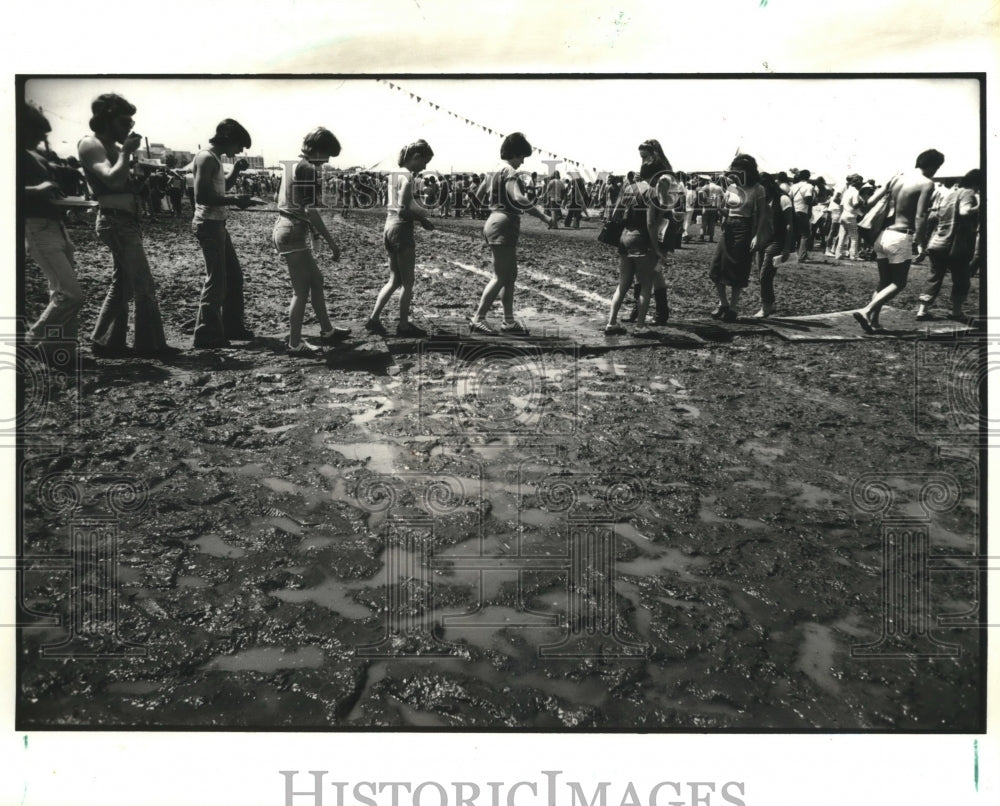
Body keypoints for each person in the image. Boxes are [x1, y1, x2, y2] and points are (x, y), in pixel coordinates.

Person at [78, 93, 178, 358]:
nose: (129, 128)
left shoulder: (109, 145)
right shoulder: (91, 144)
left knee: (123, 284)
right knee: (143, 283)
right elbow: (110, 180)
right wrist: (125, 153)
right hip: (115, 221)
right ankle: (150, 345)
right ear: (107, 119)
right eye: (124, 122)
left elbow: (121, 184)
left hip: (123, 221)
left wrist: (141, 183)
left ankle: (107, 341)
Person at [272, 126, 351, 355]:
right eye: (326, 155)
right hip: (292, 231)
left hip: (289, 227)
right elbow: (311, 211)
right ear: (318, 149)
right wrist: (331, 242)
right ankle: (295, 344)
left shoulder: (296, 164)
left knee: (316, 279)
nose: (326, 161)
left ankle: (327, 330)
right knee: (301, 291)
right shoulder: (307, 168)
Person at [20, 103, 86, 366]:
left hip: (55, 225)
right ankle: (29, 342)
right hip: (36, 227)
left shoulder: (32, 155)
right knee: (71, 295)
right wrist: (39, 189)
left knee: (58, 291)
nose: (42, 140)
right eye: (37, 134)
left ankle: (58, 352)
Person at [469, 132, 554, 334]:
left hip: (494, 220)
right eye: (522, 157)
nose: (522, 161)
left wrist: (493, 207)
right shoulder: (509, 171)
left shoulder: (493, 171)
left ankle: (508, 321)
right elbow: (518, 198)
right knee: (500, 276)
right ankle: (478, 318)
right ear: (515, 153)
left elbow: (476, 196)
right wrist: (544, 217)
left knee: (510, 276)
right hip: (504, 222)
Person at [853, 149, 945, 333]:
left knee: (884, 282)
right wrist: (920, 243)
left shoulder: (897, 178)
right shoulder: (927, 183)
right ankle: (867, 310)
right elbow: (920, 216)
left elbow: (869, 202)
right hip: (901, 236)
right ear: (934, 166)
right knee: (899, 283)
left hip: (883, 235)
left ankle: (874, 322)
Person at [191, 119, 259, 349]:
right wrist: (235, 201)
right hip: (208, 224)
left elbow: (220, 189)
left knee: (233, 277)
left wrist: (236, 173)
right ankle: (206, 335)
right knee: (217, 280)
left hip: (217, 223)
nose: (240, 151)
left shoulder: (216, 159)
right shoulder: (205, 158)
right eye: (239, 145)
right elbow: (201, 196)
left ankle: (232, 327)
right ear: (229, 140)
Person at [603, 140, 674, 335]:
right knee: (645, 284)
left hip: (625, 237)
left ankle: (611, 323)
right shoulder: (651, 192)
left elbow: (616, 213)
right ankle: (641, 326)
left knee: (623, 284)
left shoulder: (629, 188)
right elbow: (651, 224)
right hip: (642, 239)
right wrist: (657, 249)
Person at [366, 139, 436, 337]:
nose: (425, 167)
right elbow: (403, 211)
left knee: (394, 279)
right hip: (401, 228)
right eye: (424, 162)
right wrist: (422, 220)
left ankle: (374, 318)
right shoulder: (407, 178)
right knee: (408, 282)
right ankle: (403, 324)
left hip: (388, 226)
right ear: (416, 157)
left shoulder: (394, 175)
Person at [709, 154, 769, 322]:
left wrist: (757, 235)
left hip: (744, 228)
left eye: (738, 170)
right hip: (728, 227)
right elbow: (727, 210)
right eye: (733, 170)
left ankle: (734, 307)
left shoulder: (758, 188)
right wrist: (717, 207)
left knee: (737, 268)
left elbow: (763, 214)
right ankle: (723, 303)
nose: (734, 173)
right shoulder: (732, 187)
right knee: (716, 267)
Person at [915, 169, 981, 322]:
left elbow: (935, 216)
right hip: (956, 245)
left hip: (937, 242)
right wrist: (981, 206)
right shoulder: (968, 193)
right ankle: (956, 312)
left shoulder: (950, 194)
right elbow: (964, 212)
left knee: (934, 278)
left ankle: (922, 310)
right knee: (961, 279)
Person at [753, 173, 794, 318]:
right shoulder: (763, 200)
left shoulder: (783, 199)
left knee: (765, 275)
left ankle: (766, 307)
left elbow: (789, 225)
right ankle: (771, 303)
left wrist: (787, 248)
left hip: (777, 240)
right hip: (764, 240)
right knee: (761, 275)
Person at [834, 174, 865, 260]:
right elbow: (855, 205)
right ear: (858, 183)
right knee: (854, 237)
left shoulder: (847, 191)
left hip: (844, 214)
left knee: (842, 236)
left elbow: (841, 204)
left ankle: (838, 254)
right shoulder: (855, 192)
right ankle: (853, 255)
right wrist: (862, 202)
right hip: (851, 216)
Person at [790, 169, 816, 262]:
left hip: (794, 211)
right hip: (802, 211)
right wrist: (813, 202)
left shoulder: (794, 186)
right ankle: (802, 256)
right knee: (806, 235)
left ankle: (793, 255)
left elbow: (790, 198)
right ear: (808, 177)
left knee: (795, 234)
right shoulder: (809, 186)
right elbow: (808, 198)